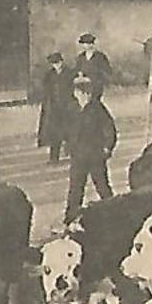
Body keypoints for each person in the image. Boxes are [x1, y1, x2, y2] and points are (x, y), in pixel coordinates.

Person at [62, 77, 117, 224]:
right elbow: (66, 128)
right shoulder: (71, 108)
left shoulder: (97, 108)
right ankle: (71, 217)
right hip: (78, 155)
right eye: (81, 92)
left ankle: (116, 212)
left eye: (87, 92)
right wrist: (68, 145)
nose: (84, 96)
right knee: (75, 187)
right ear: (75, 93)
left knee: (102, 185)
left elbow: (109, 129)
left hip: (95, 155)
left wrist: (107, 147)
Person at [36, 51, 75, 164]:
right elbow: (46, 90)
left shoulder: (70, 73)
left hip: (68, 107)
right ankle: (54, 158)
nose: (56, 65)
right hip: (54, 108)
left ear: (62, 62)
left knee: (70, 132)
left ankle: (74, 155)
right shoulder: (49, 75)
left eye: (57, 62)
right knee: (55, 134)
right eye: (53, 63)